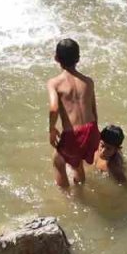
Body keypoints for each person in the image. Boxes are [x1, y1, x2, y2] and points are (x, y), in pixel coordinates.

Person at [47, 38, 99, 188]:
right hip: (92, 129)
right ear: (78, 58)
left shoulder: (54, 83)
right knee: (77, 163)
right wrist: (94, 133)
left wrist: (51, 129)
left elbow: (53, 108)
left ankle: (69, 200)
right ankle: (81, 188)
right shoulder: (88, 81)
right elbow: (94, 110)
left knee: (58, 161)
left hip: (74, 134)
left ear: (56, 58)